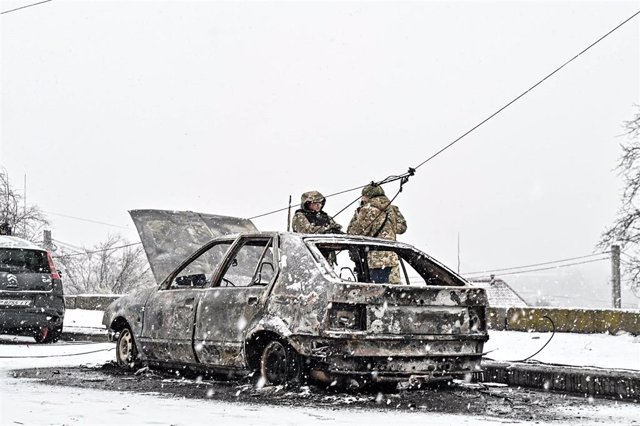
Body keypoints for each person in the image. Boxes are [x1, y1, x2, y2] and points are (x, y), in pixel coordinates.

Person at [347, 184, 407, 283]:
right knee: (391, 290)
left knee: (374, 292)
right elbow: (402, 228)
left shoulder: (368, 209)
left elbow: (356, 232)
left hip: (375, 259)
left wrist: (357, 217)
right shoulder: (391, 209)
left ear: (367, 196)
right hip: (391, 256)